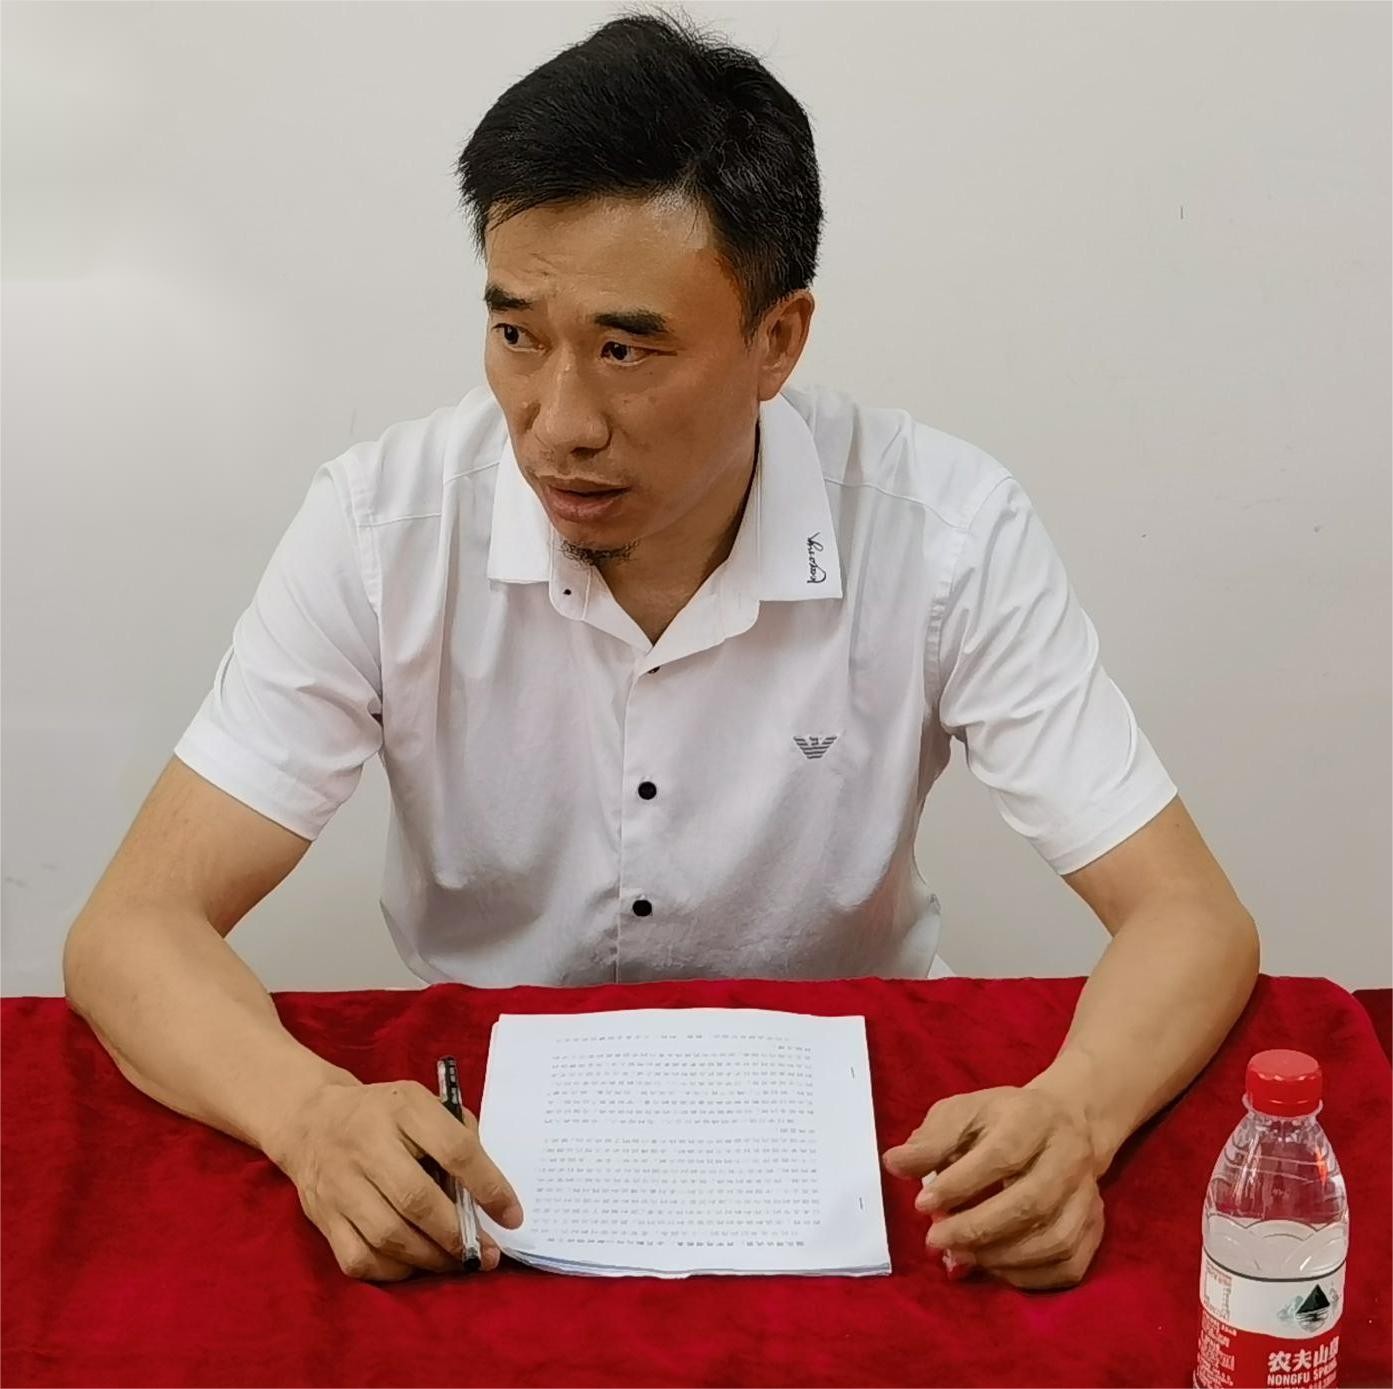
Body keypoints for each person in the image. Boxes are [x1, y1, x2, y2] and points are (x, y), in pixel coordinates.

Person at [62, 10, 1258, 1289]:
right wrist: (308, 1117)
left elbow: (1189, 916)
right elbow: (131, 929)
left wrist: (1076, 1113)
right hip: (495, 1152)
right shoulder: (382, 527)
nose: (558, 425)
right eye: (518, 335)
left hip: (855, 1137)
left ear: (777, 341)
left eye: (625, 350)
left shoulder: (942, 530)